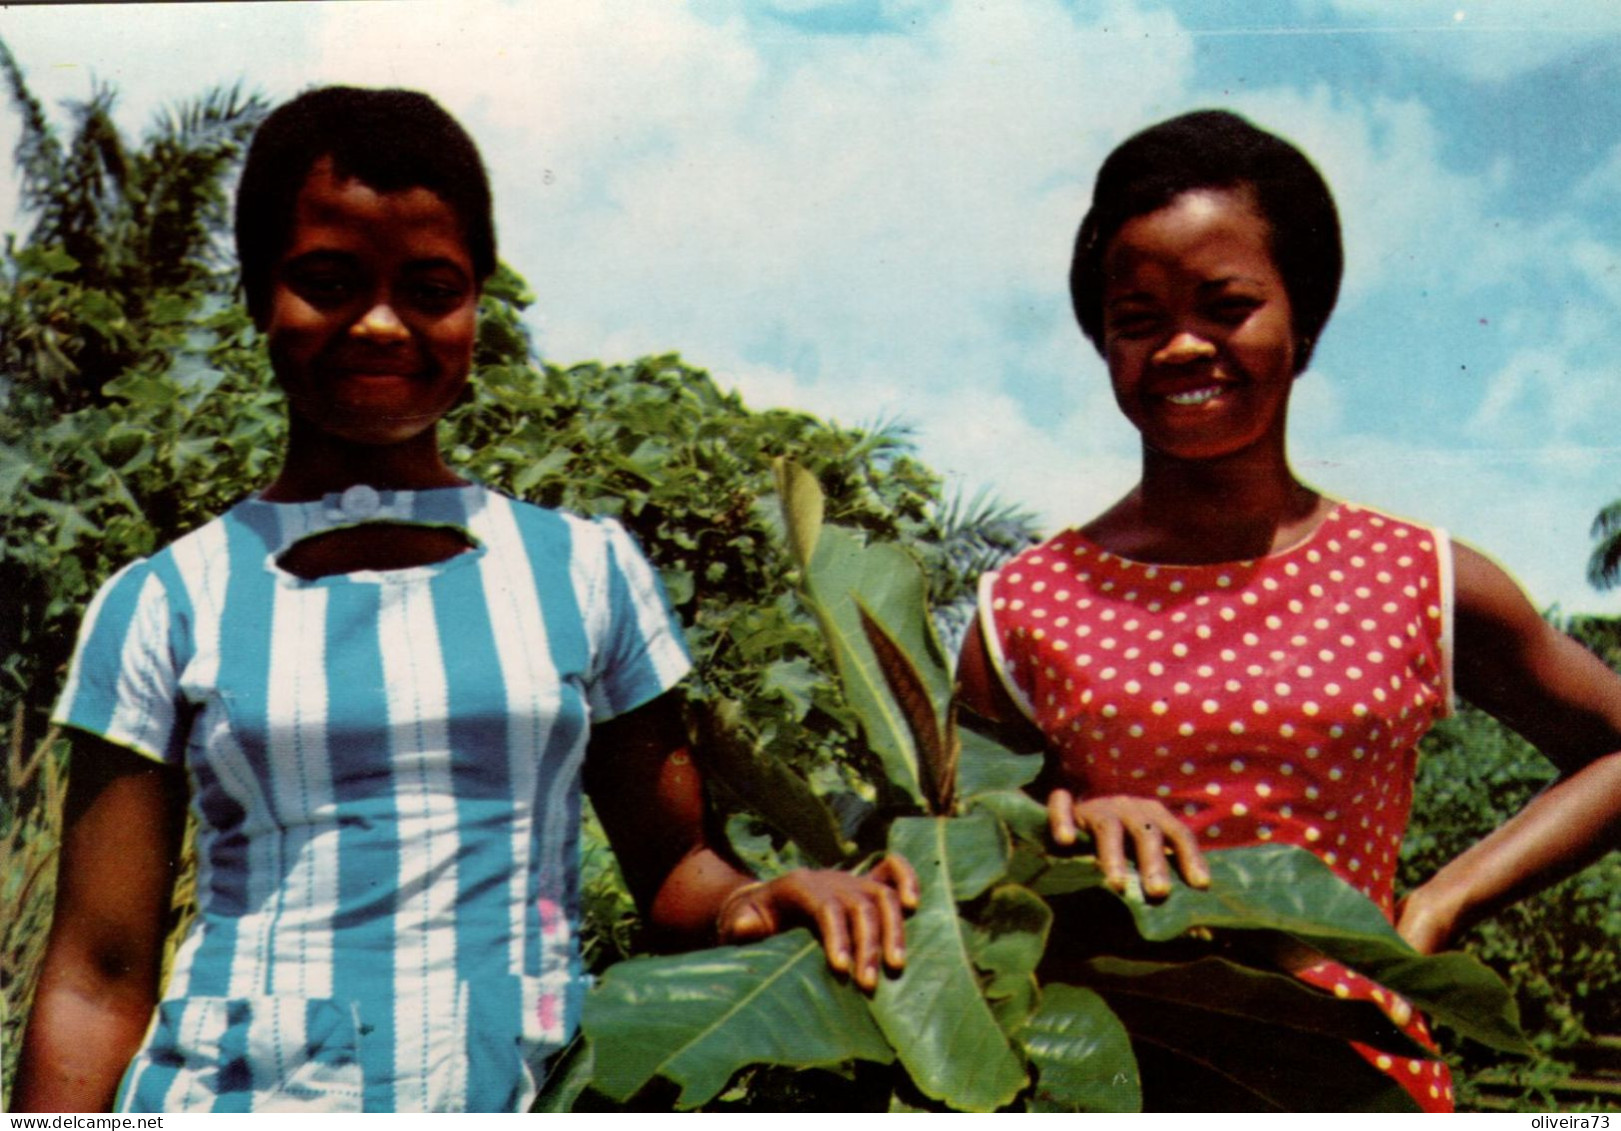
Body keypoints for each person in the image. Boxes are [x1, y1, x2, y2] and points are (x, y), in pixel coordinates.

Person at [16, 86, 916, 1114]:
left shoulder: (584, 571)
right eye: (328, 281)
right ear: (261, 294)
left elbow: (675, 873)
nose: (383, 324)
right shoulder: (166, 601)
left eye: (430, 287)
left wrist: (761, 895)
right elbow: (97, 973)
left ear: (479, 300)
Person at [957, 109, 1621, 1111]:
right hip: (1102, 1081)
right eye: (1137, 319)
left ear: (1302, 324)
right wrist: (1057, 821)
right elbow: (954, 841)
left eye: (1224, 306)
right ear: (1101, 341)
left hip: (1360, 1078)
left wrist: (1436, 906)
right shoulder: (1023, 606)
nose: (1181, 347)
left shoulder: (1420, 578)